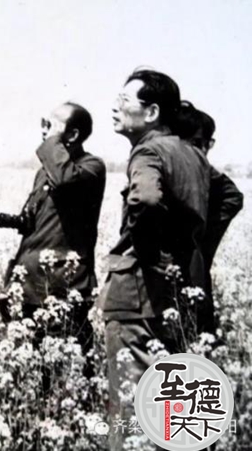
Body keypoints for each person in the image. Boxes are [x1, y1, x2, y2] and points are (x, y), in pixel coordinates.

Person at [99, 69, 211, 450]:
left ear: (151, 113)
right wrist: (191, 251)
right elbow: (225, 198)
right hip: (179, 297)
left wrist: (147, 253)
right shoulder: (193, 154)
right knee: (170, 416)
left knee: (131, 416)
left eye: (124, 100)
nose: (115, 107)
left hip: (138, 296)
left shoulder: (147, 151)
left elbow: (145, 200)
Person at [0, 102, 106, 360]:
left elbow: (64, 178)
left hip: (62, 287)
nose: (44, 131)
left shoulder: (91, 167)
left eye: (50, 125)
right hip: (29, 285)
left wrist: (53, 143)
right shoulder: (46, 172)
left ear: (73, 134)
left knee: (64, 364)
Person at [175, 102, 244, 333]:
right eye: (197, 143)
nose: (203, 151)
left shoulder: (203, 168)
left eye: (207, 144)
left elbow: (232, 197)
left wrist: (199, 233)